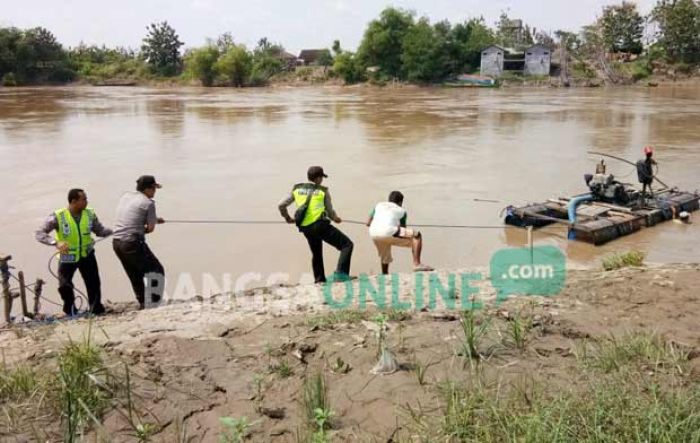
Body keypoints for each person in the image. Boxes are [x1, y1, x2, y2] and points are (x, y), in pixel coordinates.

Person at [35, 188, 112, 316]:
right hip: (67, 256)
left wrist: (114, 231)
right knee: (64, 285)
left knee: (93, 283)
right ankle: (70, 310)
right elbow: (39, 233)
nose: (87, 202)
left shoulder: (90, 214)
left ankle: (96, 309)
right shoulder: (58, 216)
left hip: (87, 254)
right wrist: (56, 243)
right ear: (74, 201)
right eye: (84, 199)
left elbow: (100, 230)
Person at [278, 166, 353, 283]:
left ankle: (319, 280)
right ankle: (341, 275)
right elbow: (329, 211)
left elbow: (281, 205)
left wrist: (287, 218)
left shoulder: (296, 189)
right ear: (317, 179)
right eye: (322, 178)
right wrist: (336, 218)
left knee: (316, 253)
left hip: (305, 228)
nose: (322, 180)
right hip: (320, 225)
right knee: (347, 245)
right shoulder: (323, 191)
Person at [112, 176, 165, 309]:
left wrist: (154, 219)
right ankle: (153, 304)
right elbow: (150, 229)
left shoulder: (126, 196)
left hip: (117, 243)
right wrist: (150, 223)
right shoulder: (148, 203)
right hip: (132, 242)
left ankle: (143, 303)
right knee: (157, 271)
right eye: (153, 188)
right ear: (148, 189)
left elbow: (133, 216)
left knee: (134, 273)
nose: (154, 191)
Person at [366, 191, 433, 274]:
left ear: (389, 200)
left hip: (373, 233)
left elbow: (368, 223)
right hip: (389, 231)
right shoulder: (402, 211)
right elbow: (403, 229)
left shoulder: (379, 205)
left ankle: (385, 273)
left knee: (385, 254)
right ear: (400, 202)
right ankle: (417, 264)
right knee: (416, 235)